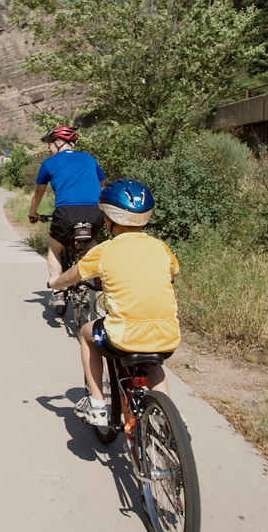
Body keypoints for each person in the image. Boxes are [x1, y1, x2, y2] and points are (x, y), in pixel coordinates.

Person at [48, 180, 181, 426]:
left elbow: (73, 275)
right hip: (167, 335)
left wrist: (56, 283)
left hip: (123, 336)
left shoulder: (104, 251)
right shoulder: (160, 247)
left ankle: (97, 403)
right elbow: (173, 272)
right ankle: (169, 422)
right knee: (152, 361)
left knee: (87, 333)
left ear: (108, 219)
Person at [27, 126, 106, 315]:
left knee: (55, 249)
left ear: (59, 142)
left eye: (50, 144)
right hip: (95, 211)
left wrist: (33, 212)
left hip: (66, 212)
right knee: (90, 241)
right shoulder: (89, 158)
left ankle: (57, 290)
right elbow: (101, 186)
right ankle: (99, 276)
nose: (48, 149)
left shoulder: (49, 163)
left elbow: (39, 193)